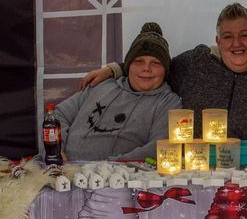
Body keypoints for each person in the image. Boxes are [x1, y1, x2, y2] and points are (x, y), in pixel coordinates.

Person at [81, 3, 247, 157]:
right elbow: (156, 67)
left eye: (244, 35)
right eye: (228, 36)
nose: (236, 43)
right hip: (190, 170)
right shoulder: (198, 62)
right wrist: (115, 69)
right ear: (218, 41)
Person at [56, 22, 182, 161]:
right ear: (128, 67)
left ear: (165, 70)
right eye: (139, 61)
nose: (146, 68)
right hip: (62, 168)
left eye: (156, 63)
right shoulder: (101, 85)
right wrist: (55, 150)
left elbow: (158, 147)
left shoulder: (168, 102)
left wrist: (109, 168)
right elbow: (59, 115)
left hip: (115, 177)